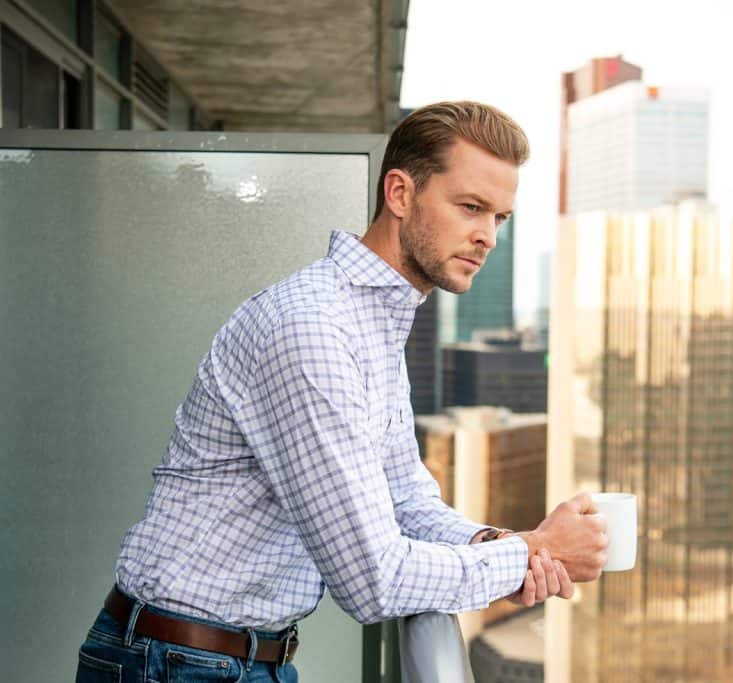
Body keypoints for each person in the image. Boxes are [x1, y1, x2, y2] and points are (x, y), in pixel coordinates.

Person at [75, 101, 608, 683]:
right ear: (400, 194)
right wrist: (523, 557)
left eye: (500, 218)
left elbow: (404, 499)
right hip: (175, 663)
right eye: (471, 207)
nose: (486, 237)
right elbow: (371, 580)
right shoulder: (315, 329)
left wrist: (507, 543)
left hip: (234, 658)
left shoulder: (371, 325)